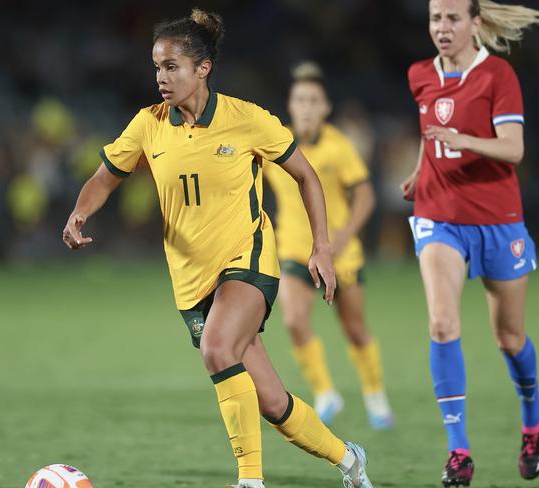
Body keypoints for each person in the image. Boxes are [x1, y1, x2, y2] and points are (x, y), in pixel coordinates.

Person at [62, 8, 372, 488]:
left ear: (202, 68)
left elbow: (307, 176)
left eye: (171, 67)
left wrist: (322, 247)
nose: (161, 78)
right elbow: (105, 178)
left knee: (217, 347)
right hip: (191, 280)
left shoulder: (246, 119)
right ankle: (348, 458)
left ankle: (250, 480)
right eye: (156, 67)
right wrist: (80, 213)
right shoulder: (148, 124)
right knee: (271, 401)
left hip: (247, 260)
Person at [401, 0, 539, 485]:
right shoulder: (420, 73)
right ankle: (459, 451)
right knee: (442, 323)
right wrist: (421, 171)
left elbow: (514, 148)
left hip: (499, 221)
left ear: (475, 23)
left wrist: (466, 141)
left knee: (510, 338)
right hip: (439, 217)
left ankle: (532, 424)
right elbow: (428, 132)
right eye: (436, 18)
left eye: (453, 18)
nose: (442, 27)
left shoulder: (498, 75)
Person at [264, 62, 393, 429]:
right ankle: (325, 392)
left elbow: (365, 194)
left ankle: (375, 394)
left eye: (313, 100)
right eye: (300, 99)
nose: (306, 106)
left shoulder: (339, 146)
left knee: (354, 328)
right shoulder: (276, 143)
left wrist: (346, 234)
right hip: (293, 250)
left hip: (339, 253)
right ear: (290, 105)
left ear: (325, 108)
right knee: (293, 321)